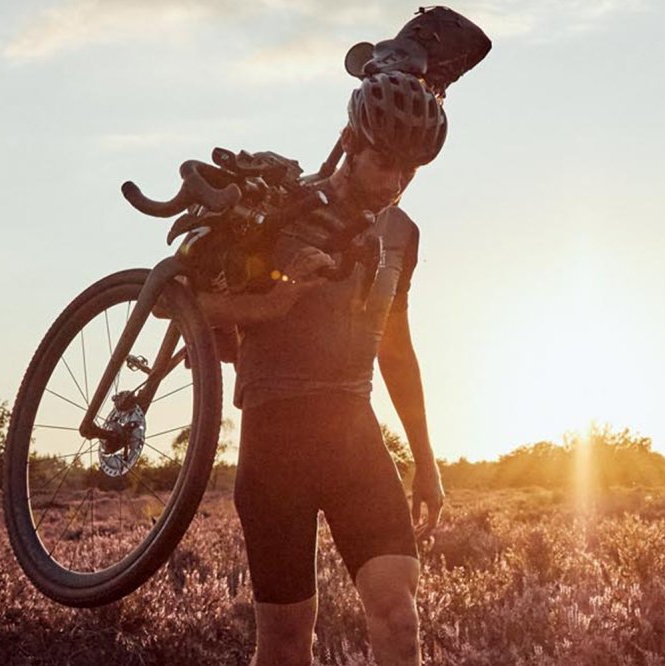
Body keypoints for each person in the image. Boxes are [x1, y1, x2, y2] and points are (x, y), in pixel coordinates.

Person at [193, 64, 454, 665]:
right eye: (384, 163)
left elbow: (397, 347)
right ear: (352, 144)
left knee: (399, 617)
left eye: (409, 171)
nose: (394, 183)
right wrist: (276, 299)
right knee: (286, 646)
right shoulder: (279, 209)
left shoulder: (402, 234)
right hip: (274, 437)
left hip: (354, 436)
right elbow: (188, 306)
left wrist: (426, 463)